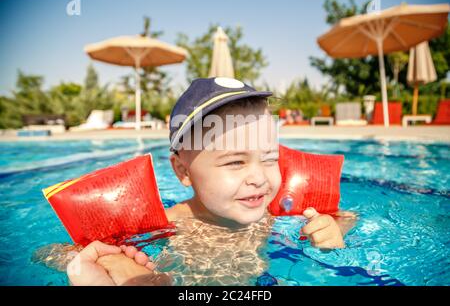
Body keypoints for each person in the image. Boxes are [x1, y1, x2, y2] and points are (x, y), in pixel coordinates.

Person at [64, 77, 356, 286]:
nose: (258, 178)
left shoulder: (274, 211)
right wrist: (114, 262)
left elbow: (346, 217)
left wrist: (333, 229)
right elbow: (58, 253)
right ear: (183, 171)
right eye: (235, 162)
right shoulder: (165, 224)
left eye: (269, 158)